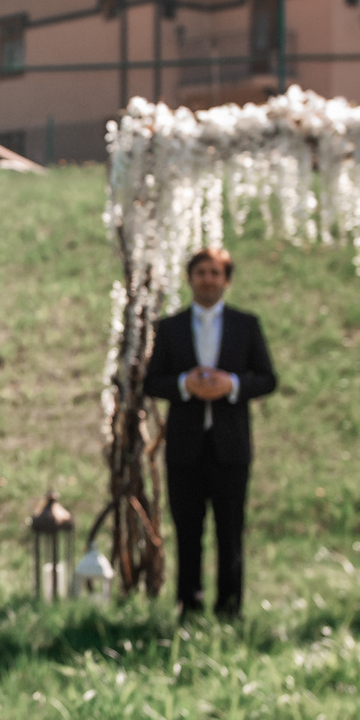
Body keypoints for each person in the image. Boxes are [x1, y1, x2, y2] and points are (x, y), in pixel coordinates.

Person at [141, 248, 279, 620]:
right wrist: (184, 384)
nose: (208, 279)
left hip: (230, 446)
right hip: (185, 447)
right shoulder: (170, 328)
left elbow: (267, 379)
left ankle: (230, 608)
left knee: (230, 531)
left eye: (215, 273)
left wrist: (231, 384)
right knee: (187, 531)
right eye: (201, 272)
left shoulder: (245, 325)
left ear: (226, 281)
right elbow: (152, 381)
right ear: (190, 278)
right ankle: (189, 606)